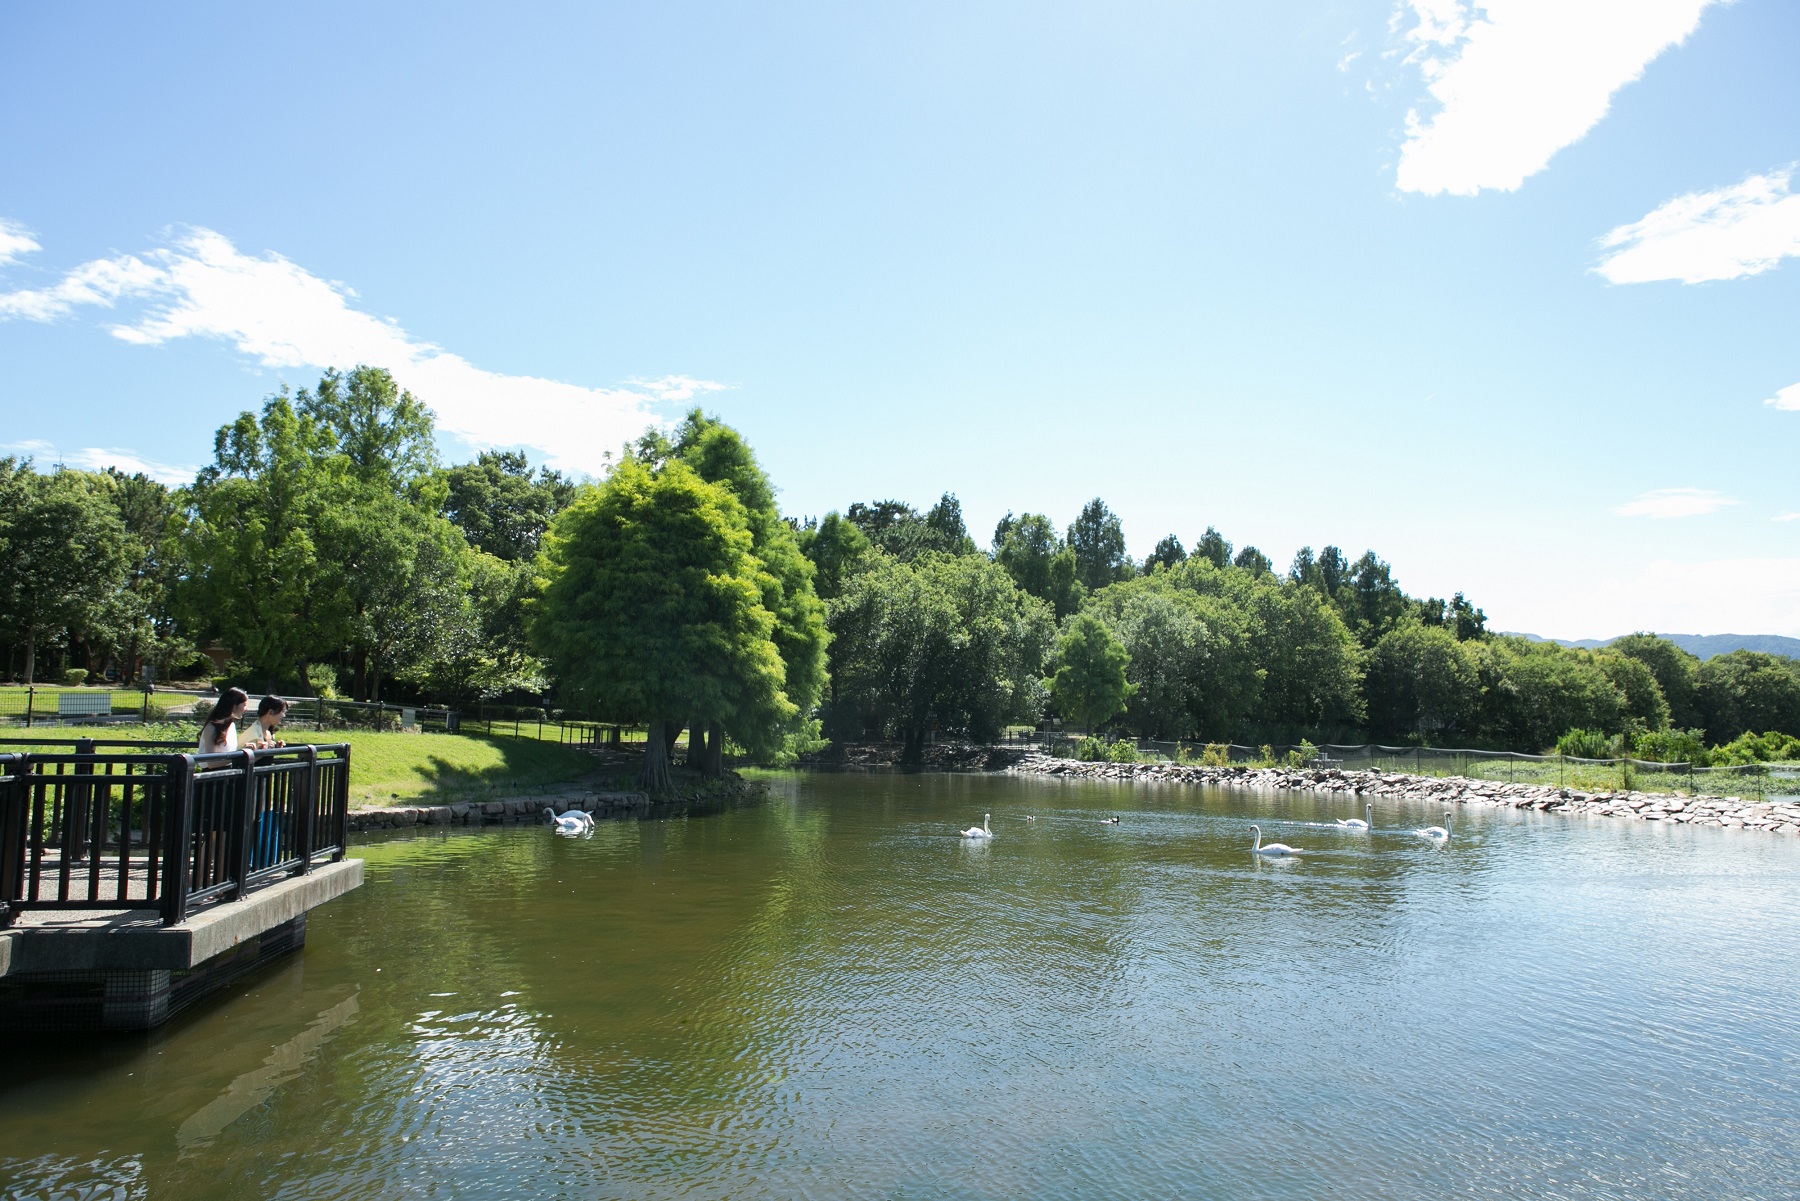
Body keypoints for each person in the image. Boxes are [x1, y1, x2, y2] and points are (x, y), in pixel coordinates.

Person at [199, 687, 249, 755]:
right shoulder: (212, 727)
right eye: (244, 705)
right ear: (234, 706)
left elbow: (229, 752)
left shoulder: (231, 725)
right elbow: (210, 762)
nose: (246, 709)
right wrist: (239, 754)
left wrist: (244, 749)